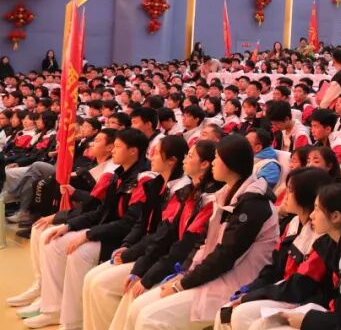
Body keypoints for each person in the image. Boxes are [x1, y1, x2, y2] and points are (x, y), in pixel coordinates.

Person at [122, 134, 279, 330]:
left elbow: (225, 256)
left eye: (217, 158)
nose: (213, 163)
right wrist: (184, 274)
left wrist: (182, 284)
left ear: (231, 163)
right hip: (207, 274)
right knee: (138, 306)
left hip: (233, 281)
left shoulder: (253, 205)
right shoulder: (225, 195)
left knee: (150, 317)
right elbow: (203, 243)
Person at [24, 128, 151, 330]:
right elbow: (100, 211)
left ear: (133, 151)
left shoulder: (143, 180)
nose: (113, 151)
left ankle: (72, 319)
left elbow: (128, 223)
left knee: (78, 251)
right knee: (52, 238)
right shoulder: (118, 175)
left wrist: (88, 235)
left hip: (122, 239)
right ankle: (52, 304)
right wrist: (69, 225)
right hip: (106, 230)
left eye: (118, 146)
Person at [225, 183, 341, 330]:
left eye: (317, 209)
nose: (312, 215)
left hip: (338, 319)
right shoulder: (329, 239)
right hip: (322, 309)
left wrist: (307, 319)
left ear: (335, 216)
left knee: (256, 323)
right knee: (246, 318)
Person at [80, 134, 189, 330]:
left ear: (172, 160)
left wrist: (131, 255)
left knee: (102, 284)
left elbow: (162, 237)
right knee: (91, 278)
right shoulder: (155, 184)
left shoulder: (182, 192)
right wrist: (127, 245)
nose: (151, 156)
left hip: (159, 256)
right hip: (144, 250)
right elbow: (141, 223)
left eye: (156, 153)